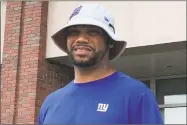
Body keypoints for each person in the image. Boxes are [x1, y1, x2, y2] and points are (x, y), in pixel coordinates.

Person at [38, 3, 163, 124]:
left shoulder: (136, 95)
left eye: (92, 32)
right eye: (74, 32)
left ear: (110, 42)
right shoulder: (51, 102)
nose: (81, 39)